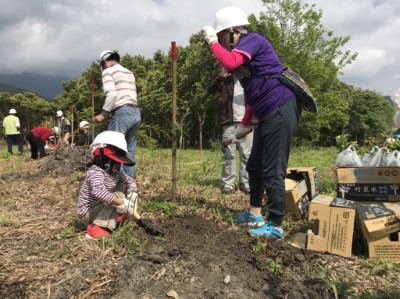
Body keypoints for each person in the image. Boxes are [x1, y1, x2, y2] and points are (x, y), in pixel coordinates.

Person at [202, 7, 301, 238]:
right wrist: (246, 124)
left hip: (281, 107)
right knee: (253, 166)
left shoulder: (253, 40)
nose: (221, 42)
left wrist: (210, 42)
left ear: (233, 30)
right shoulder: (246, 65)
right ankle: (255, 214)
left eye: (221, 37)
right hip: (265, 112)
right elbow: (253, 97)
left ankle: (275, 225)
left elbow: (229, 61)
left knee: (272, 169)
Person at [76, 131, 138, 239]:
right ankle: (97, 228)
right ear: (105, 160)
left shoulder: (116, 172)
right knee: (117, 199)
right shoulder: (96, 172)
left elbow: (130, 181)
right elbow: (99, 192)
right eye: (116, 161)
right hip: (88, 212)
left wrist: (132, 193)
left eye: (120, 162)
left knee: (123, 186)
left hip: (100, 206)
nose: (119, 165)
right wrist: (121, 203)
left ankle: (114, 216)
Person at [93, 50, 141, 178]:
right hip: (135, 112)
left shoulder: (108, 71)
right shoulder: (129, 72)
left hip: (122, 112)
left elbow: (112, 94)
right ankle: (129, 188)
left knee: (113, 150)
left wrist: (103, 114)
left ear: (105, 62)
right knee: (129, 152)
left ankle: (112, 185)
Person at [208, 68, 253, 194]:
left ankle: (246, 183)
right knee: (229, 154)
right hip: (229, 122)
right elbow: (210, 90)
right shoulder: (225, 78)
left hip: (247, 122)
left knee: (247, 154)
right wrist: (219, 77)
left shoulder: (250, 77)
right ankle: (228, 184)